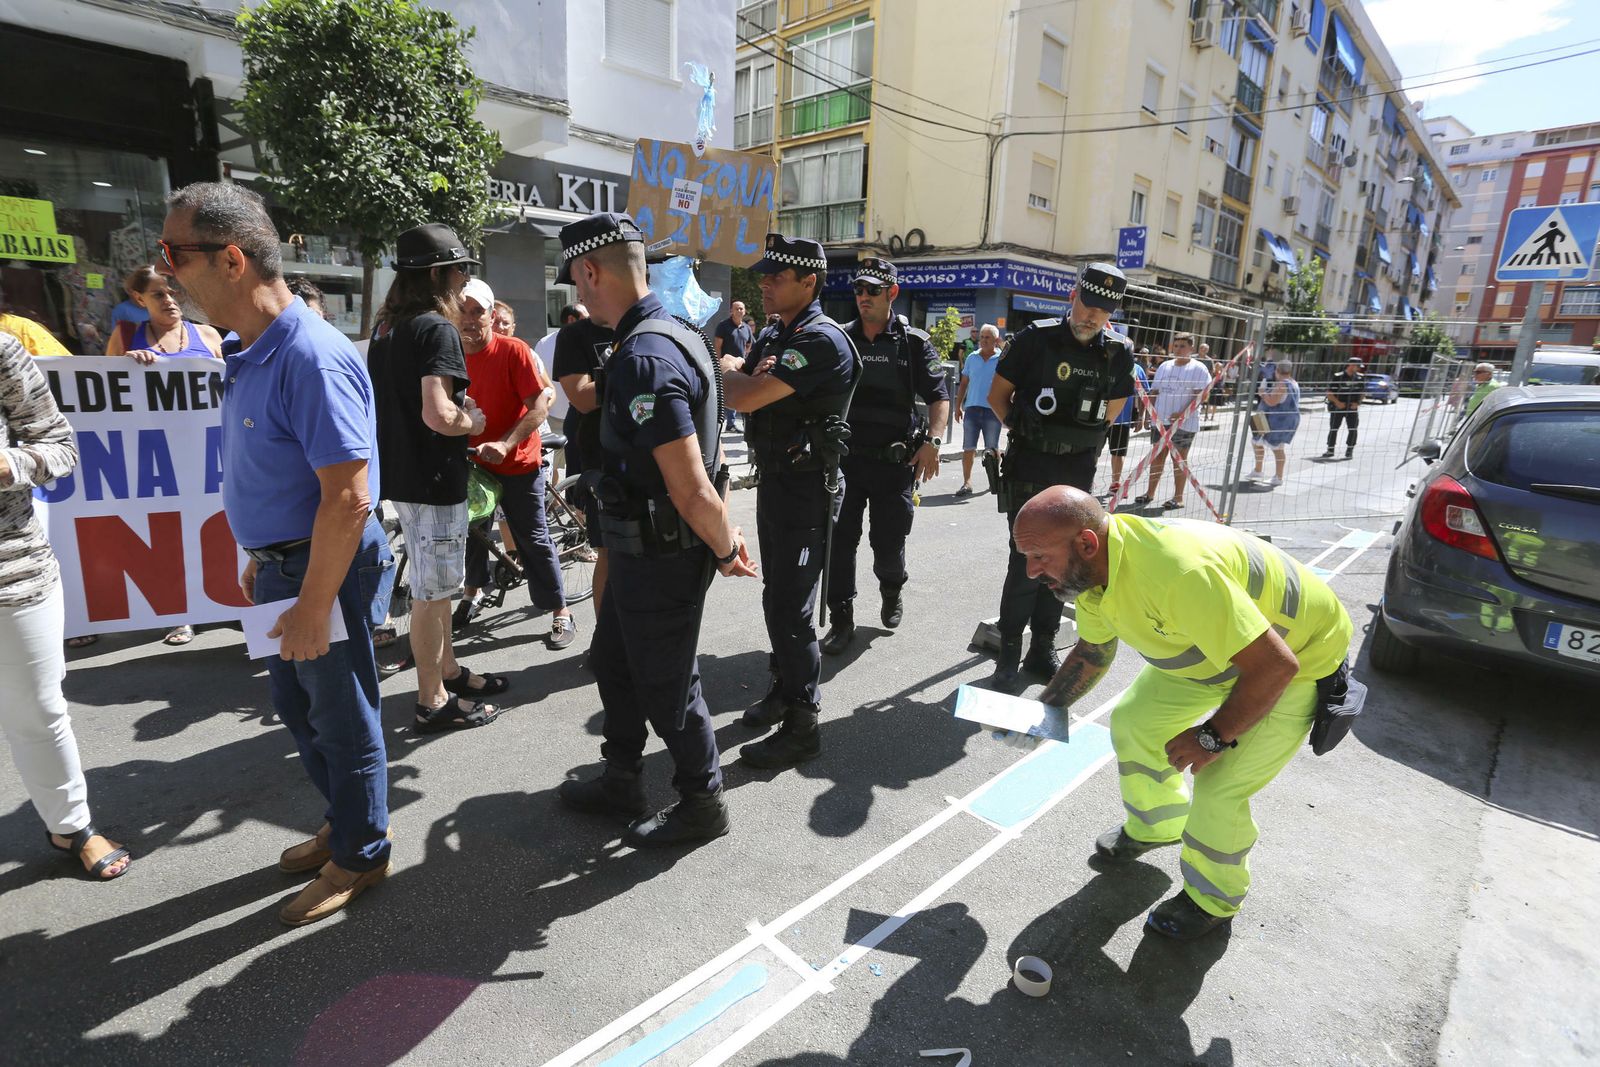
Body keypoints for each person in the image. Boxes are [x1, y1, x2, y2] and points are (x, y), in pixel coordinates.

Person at [161, 180, 392, 925]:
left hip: (320, 568)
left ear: (231, 259)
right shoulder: (251, 346)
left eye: (176, 254)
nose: (166, 271)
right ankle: (344, 821)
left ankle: (361, 851)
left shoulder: (309, 356)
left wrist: (314, 602)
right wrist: (263, 552)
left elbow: (349, 498)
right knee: (301, 708)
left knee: (341, 713)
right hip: (286, 564)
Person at [1009, 486, 1354, 939]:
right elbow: (1093, 651)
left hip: (1293, 661)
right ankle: (1159, 824)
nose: (1032, 571)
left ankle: (1212, 900)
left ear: (1086, 544)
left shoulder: (1175, 572)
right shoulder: (1094, 573)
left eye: (1039, 556)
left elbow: (1273, 666)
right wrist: (1043, 714)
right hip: (1216, 650)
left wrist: (1212, 736)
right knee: (1135, 723)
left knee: (1220, 784)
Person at [552, 212, 756, 846]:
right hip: (641, 543)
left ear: (591, 271)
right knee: (614, 660)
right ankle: (621, 777)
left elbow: (692, 484)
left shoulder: (646, 356)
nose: (577, 295)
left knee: (667, 682)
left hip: (660, 549)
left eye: (577, 283)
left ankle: (702, 802)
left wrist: (726, 548)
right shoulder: (675, 333)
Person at [721, 233, 858, 769]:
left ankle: (804, 723)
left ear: (810, 282)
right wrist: (739, 371)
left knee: (793, 611)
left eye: (776, 277)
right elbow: (742, 385)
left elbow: (742, 395)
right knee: (776, 596)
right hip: (778, 481)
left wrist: (737, 372)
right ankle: (783, 691)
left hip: (808, 490)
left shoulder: (819, 339)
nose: (764, 284)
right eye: (764, 275)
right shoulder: (780, 331)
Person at [0, 332, 131, 881]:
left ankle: (71, 825)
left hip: (14, 571)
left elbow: (61, 446)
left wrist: (9, 465)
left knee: (38, 710)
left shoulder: (3, 352)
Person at [367, 222, 505, 733]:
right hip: (433, 476)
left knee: (436, 585)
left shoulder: (386, 329)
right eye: (461, 268)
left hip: (402, 475)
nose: (465, 279)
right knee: (433, 591)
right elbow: (438, 415)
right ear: (439, 273)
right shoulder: (435, 327)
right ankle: (431, 699)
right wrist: (472, 423)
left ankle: (446, 672)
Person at [985, 262, 1135, 692]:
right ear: (1074, 296)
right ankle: (1010, 650)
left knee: (1067, 563)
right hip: (1031, 467)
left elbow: (1110, 413)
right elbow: (998, 396)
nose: (1092, 316)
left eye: (1103, 310)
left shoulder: (1118, 351)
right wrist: (1029, 430)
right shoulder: (1036, 338)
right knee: (1025, 561)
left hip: (1075, 473)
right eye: (1088, 305)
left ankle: (1043, 648)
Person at [819, 257, 949, 655]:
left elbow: (938, 396)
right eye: (858, 290)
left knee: (888, 544)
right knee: (839, 541)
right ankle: (841, 619)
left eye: (873, 290)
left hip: (895, 465)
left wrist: (934, 441)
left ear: (892, 293)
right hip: (846, 462)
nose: (863, 297)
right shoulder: (841, 337)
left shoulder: (913, 342)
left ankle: (892, 589)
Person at [456, 278, 575, 649]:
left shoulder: (514, 351)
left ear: (492, 316)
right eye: (462, 310)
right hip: (475, 465)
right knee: (473, 536)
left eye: (478, 312)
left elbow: (541, 405)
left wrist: (506, 444)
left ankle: (561, 612)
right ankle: (472, 593)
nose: (469, 319)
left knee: (533, 537)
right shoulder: (450, 355)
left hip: (518, 462)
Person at [553, 303, 616, 618]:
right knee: (607, 550)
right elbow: (580, 396)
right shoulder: (575, 335)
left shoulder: (650, 326)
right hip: (599, 458)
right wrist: (634, 369)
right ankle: (606, 642)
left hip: (649, 455)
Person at [1135, 332, 1211, 510]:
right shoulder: (1164, 366)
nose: (1178, 349)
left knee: (1179, 459)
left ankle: (1178, 497)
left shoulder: (1199, 368)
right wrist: (1146, 414)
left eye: (1182, 346)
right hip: (1160, 421)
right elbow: (1154, 392)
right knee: (1157, 457)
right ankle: (1150, 493)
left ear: (1191, 348)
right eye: (1175, 346)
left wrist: (1183, 413)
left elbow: (1202, 395)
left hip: (1185, 423)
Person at [106, 265, 224, 365]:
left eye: (173, 293)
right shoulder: (126, 335)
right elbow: (106, 384)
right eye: (158, 295)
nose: (169, 300)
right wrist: (124, 365)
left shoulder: (208, 335)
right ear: (140, 298)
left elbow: (231, 383)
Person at [954, 324, 1004, 498]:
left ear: (996, 340)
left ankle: (994, 479)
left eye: (987, 337)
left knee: (992, 448)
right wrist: (958, 406)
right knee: (968, 448)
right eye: (982, 336)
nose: (983, 340)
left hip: (993, 411)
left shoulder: (1001, 359)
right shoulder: (972, 358)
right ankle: (967, 483)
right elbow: (964, 384)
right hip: (972, 409)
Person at [1247, 359, 1300, 487]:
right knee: (1256, 441)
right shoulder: (1293, 383)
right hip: (1276, 419)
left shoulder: (1282, 384)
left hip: (1277, 421)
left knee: (1277, 448)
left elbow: (1272, 402)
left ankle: (1278, 477)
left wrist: (1262, 393)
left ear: (1277, 371)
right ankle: (1258, 470)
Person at [1106, 355, 1148, 499]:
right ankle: (1088, 481)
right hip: (1098, 416)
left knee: (1118, 452)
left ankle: (1115, 483)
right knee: (1093, 450)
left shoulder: (1137, 369)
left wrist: (1141, 417)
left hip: (1122, 419)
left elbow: (1143, 395)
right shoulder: (1102, 362)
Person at [713, 300, 755, 431]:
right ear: (731, 311)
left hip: (741, 366)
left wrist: (744, 357)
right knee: (730, 392)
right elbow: (717, 346)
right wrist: (719, 363)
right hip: (726, 366)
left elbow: (750, 344)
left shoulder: (747, 328)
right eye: (736, 309)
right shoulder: (723, 326)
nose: (739, 311)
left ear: (745, 311)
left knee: (740, 392)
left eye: (741, 309)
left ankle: (734, 423)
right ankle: (729, 423)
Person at [1324, 357, 1365, 459]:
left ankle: (1349, 450)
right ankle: (1330, 449)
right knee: (1334, 428)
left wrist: (1358, 403)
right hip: (1338, 407)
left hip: (1352, 408)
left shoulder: (1360, 378)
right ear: (1351, 365)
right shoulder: (1338, 377)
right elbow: (1329, 393)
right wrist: (1337, 403)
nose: (1359, 369)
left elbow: (1363, 392)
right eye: (1358, 366)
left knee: (1353, 429)